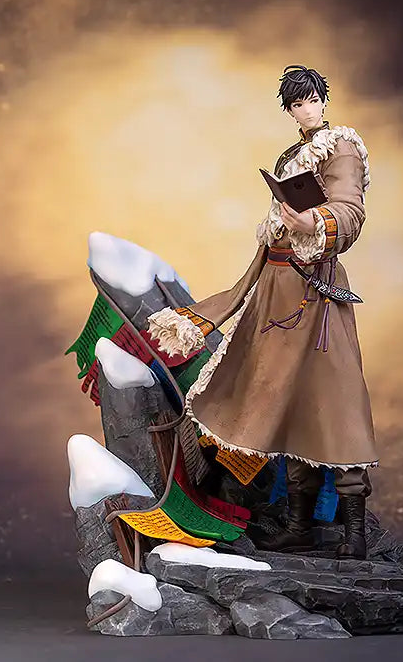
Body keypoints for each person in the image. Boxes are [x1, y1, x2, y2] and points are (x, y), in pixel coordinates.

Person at [146, 65, 378, 559]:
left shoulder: (340, 146)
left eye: (311, 99)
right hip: (276, 291)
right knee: (285, 403)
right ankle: (298, 524)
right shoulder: (293, 155)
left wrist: (314, 220)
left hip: (315, 297)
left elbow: (350, 210)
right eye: (296, 103)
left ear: (323, 99)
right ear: (289, 110)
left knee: (335, 403)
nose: (305, 109)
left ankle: (354, 533)